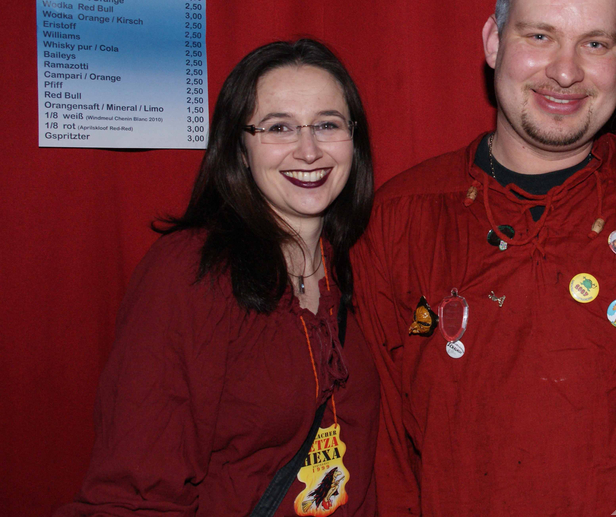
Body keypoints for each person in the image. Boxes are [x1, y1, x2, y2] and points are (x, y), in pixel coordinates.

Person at [352, 0, 616, 515]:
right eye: (539, 36)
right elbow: (384, 450)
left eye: (594, 43)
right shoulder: (401, 219)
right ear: (494, 41)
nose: (566, 71)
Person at [56, 39, 380, 516]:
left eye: (327, 125)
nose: (309, 150)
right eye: (278, 127)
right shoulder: (191, 272)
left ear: (354, 139)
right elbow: (135, 492)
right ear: (239, 149)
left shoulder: (361, 265)